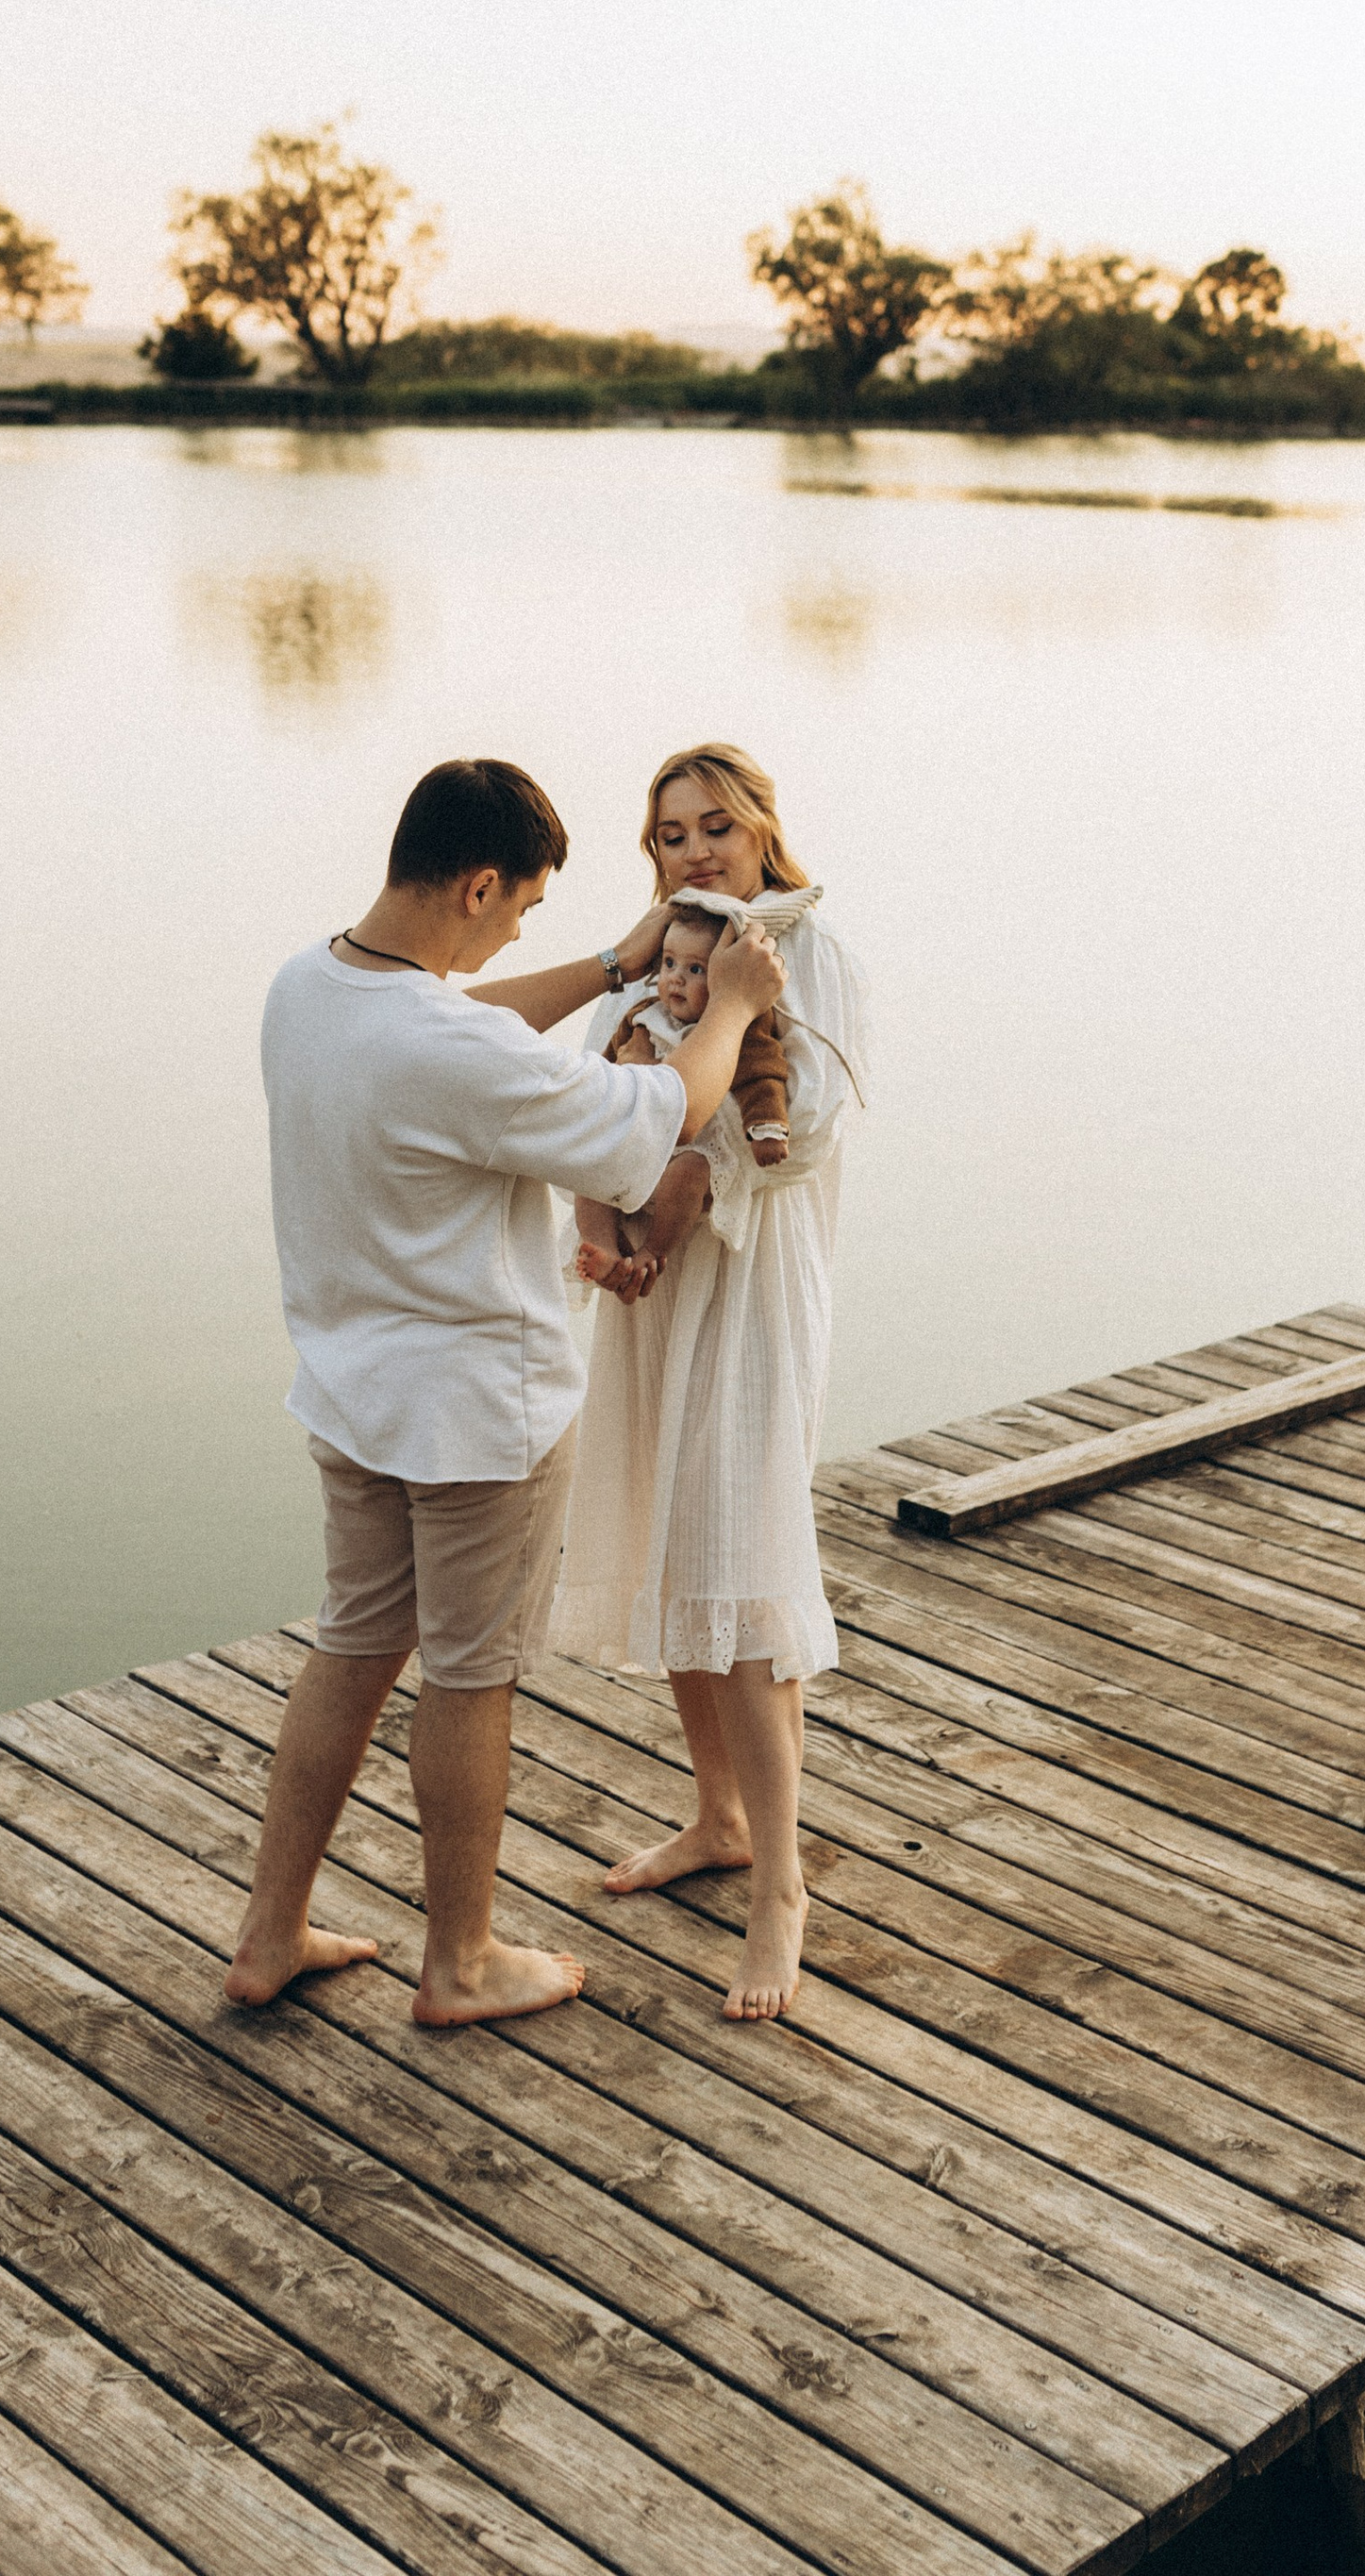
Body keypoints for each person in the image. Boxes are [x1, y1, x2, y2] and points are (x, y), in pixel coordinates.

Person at [224, 754, 785, 2027]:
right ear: (479, 885)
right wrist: (733, 1008)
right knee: (470, 1679)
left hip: (350, 1395)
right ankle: (462, 1963)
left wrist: (614, 967)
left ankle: (269, 1933)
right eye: (522, 907)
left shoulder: (307, 987)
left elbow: (462, 1021)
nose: (520, 933)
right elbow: (661, 1111)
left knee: (351, 1648)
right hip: (478, 1415)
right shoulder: (453, 1053)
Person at [550, 743, 869, 2025]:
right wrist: (623, 1209)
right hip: (654, 1287)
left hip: (750, 1279)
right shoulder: (659, 952)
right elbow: (590, 1099)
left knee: (742, 1561)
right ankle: (719, 1817)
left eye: (716, 827)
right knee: (674, 1551)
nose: (696, 851)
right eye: (672, 834)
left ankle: (781, 1887)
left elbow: (810, 1131)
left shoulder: (811, 949)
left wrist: (683, 1159)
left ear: (761, 827)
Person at [571, 902, 791, 1295]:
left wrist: (767, 1127)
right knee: (590, 1166)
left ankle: (653, 1250)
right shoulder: (644, 1016)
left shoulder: (736, 1025)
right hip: (638, 1140)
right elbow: (605, 1064)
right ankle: (601, 1243)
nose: (675, 979)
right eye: (669, 963)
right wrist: (596, 1092)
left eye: (695, 970)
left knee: (689, 1172)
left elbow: (762, 1073)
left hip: (696, 1145)